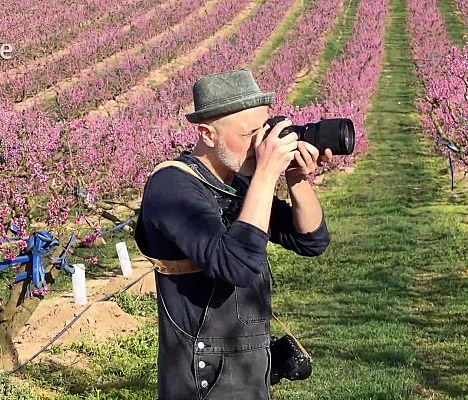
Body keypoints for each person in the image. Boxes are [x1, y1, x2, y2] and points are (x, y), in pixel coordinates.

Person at [134, 68, 332, 400]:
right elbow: (236, 266)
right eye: (248, 134)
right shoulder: (171, 186)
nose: (260, 145)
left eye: (263, 132)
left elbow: (310, 239)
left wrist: (296, 178)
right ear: (206, 134)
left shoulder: (237, 184)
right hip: (203, 380)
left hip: (248, 371)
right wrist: (268, 174)